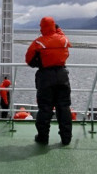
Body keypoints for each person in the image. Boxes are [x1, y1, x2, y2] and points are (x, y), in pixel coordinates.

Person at [25, 16, 72, 145]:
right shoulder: (63, 39)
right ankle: (66, 138)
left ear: (42, 27)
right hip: (62, 76)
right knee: (64, 108)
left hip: (45, 77)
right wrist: (58, 29)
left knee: (45, 109)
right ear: (54, 26)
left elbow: (29, 60)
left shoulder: (39, 42)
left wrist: (39, 62)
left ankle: (43, 137)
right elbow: (66, 51)